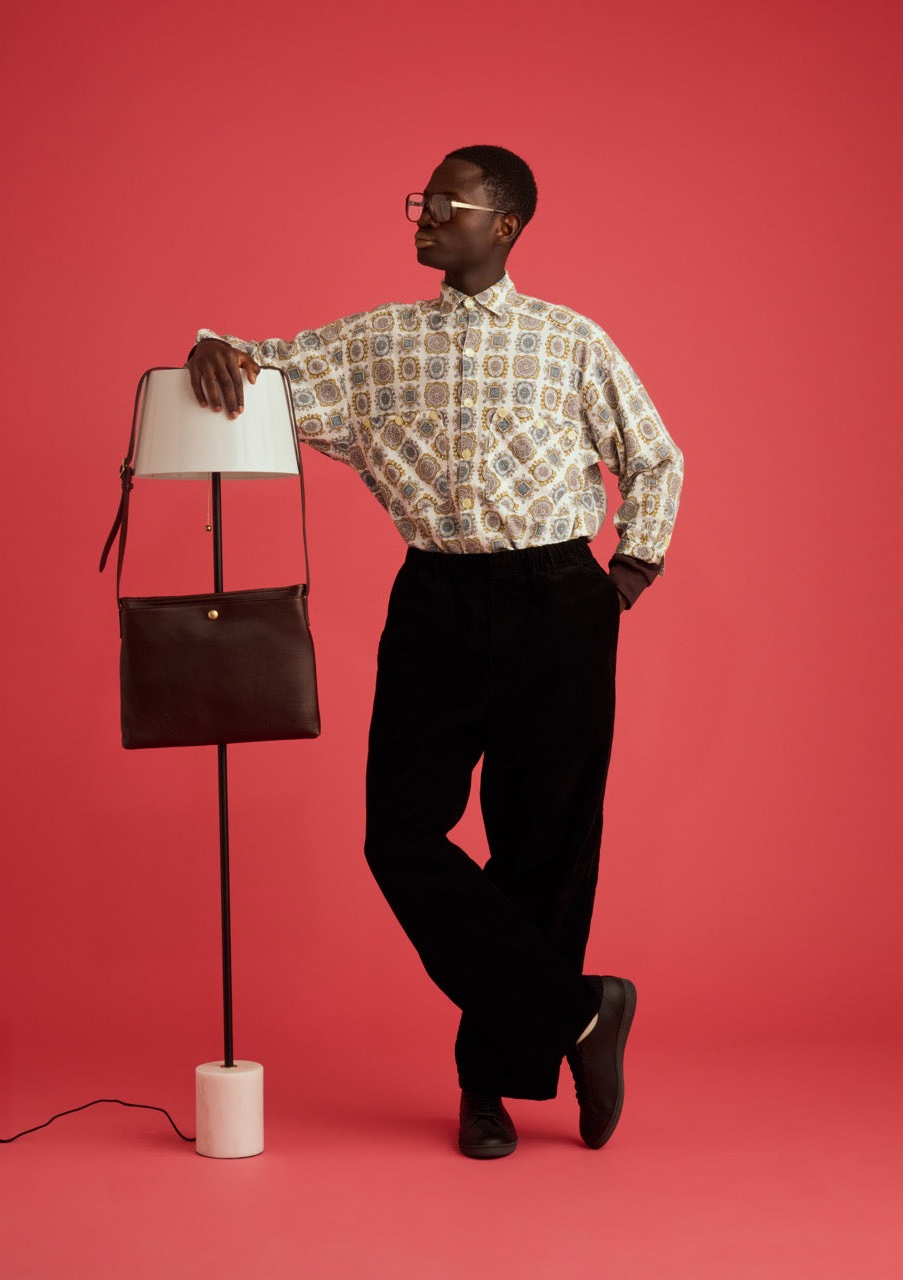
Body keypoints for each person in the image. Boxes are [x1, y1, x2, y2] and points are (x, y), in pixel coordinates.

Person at [187, 145, 683, 1159]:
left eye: (446, 203)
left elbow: (654, 456)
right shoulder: (377, 340)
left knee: (542, 848)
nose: (423, 215)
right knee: (399, 837)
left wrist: (626, 574)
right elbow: (261, 364)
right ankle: (583, 1012)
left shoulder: (568, 339)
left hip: (558, 599)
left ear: (504, 225)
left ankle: (488, 1088)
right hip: (436, 602)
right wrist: (211, 351)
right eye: (421, 200)